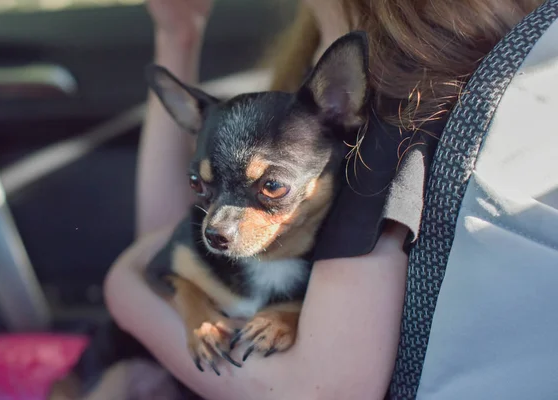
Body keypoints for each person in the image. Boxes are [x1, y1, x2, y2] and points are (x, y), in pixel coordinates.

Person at [103, 1, 543, 399]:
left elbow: (321, 390)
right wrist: (178, 34)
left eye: (273, 188)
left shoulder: (392, 108)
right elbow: (188, 237)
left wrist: (122, 286)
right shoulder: (322, 56)